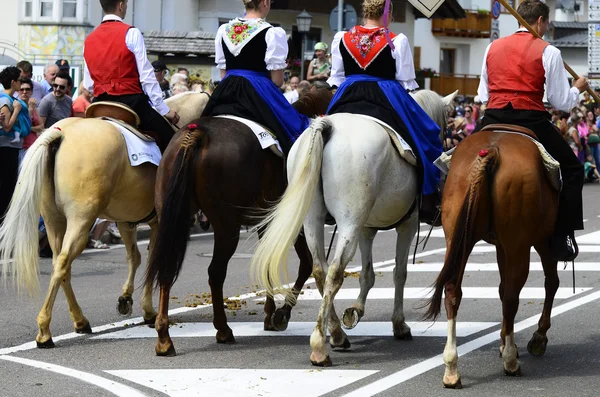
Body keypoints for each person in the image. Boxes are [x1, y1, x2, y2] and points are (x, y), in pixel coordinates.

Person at [476, 0, 587, 261]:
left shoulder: (492, 47)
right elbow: (561, 102)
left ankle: (442, 209)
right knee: (573, 170)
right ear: (539, 21)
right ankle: (563, 236)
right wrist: (578, 90)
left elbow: (483, 94)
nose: (546, 29)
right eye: (546, 24)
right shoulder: (549, 51)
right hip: (531, 118)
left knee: (454, 160)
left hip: (493, 116)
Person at [327, 0, 443, 225]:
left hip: (348, 93)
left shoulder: (341, 38)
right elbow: (406, 82)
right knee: (426, 135)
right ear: (387, 13)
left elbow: (337, 77)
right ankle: (428, 198)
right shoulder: (397, 41)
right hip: (386, 95)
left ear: (364, 12)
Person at [201, 0, 310, 154]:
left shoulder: (224, 30)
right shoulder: (272, 32)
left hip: (226, 90)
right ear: (264, 2)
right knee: (297, 131)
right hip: (257, 91)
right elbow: (277, 81)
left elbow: (223, 74)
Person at [83, 0, 179, 152]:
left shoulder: (89, 39)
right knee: (174, 143)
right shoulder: (131, 33)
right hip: (130, 103)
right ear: (121, 5)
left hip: (100, 103)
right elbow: (147, 77)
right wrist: (164, 110)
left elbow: (88, 84)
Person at [0, 67, 25, 224]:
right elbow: (7, 126)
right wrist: (16, 110)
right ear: (13, 82)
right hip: (6, 149)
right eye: (20, 80)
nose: (21, 84)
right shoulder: (6, 100)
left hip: (8, 149)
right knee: (7, 189)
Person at [18, 77, 44, 163]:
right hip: (22, 147)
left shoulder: (33, 106)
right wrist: (29, 110)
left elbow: (41, 126)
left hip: (33, 145)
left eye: (27, 89)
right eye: (22, 89)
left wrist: (30, 128)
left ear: (31, 91)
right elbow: (24, 128)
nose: (25, 92)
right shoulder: (17, 106)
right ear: (18, 91)